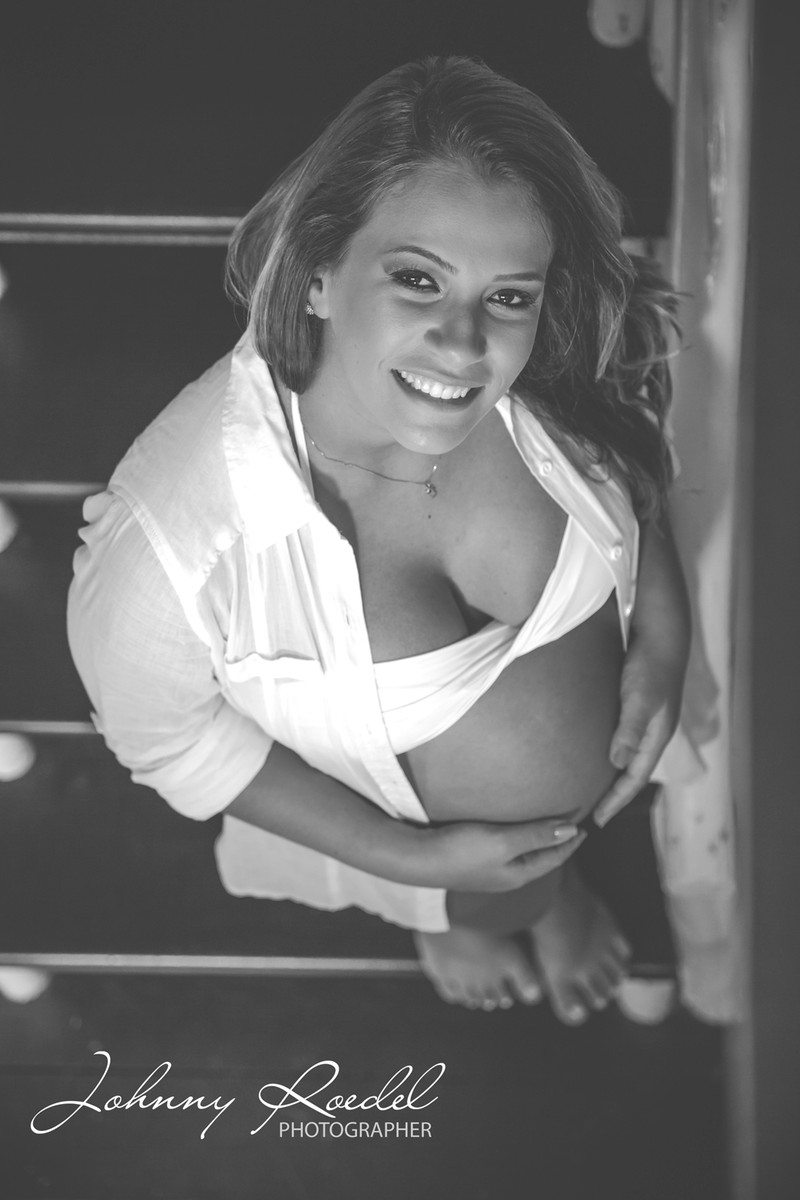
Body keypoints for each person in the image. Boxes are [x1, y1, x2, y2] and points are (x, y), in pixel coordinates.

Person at [67, 56, 690, 1024]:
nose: (464, 343)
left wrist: (663, 621)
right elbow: (167, 741)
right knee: (486, 894)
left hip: (571, 807)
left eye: (507, 295)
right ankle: (470, 917)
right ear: (317, 274)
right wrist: (412, 860)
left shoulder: (553, 350)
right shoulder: (176, 547)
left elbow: (627, 452)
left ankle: (549, 891)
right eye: (417, 279)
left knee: (527, 876)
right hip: (433, 845)